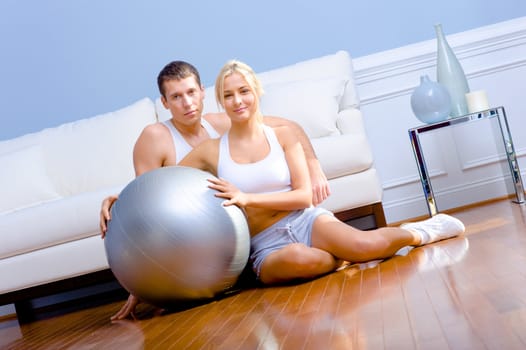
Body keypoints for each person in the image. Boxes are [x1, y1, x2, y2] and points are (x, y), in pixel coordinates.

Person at [176, 59, 465, 285]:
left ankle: (419, 232)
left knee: (365, 244)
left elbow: (303, 197)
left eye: (244, 92)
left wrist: (247, 198)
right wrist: (144, 273)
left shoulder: (283, 135)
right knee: (301, 260)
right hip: (264, 243)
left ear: (256, 93)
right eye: (228, 96)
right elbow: (164, 193)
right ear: (220, 102)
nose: (237, 101)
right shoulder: (211, 151)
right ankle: (341, 258)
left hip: (305, 220)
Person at [99, 60, 330, 320]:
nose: (187, 103)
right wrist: (139, 284)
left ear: (203, 92)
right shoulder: (155, 138)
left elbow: (290, 127)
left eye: (191, 93)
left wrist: (313, 165)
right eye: (176, 97)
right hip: (195, 250)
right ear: (164, 103)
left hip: (240, 233)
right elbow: (147, 206)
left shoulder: (219, 125)